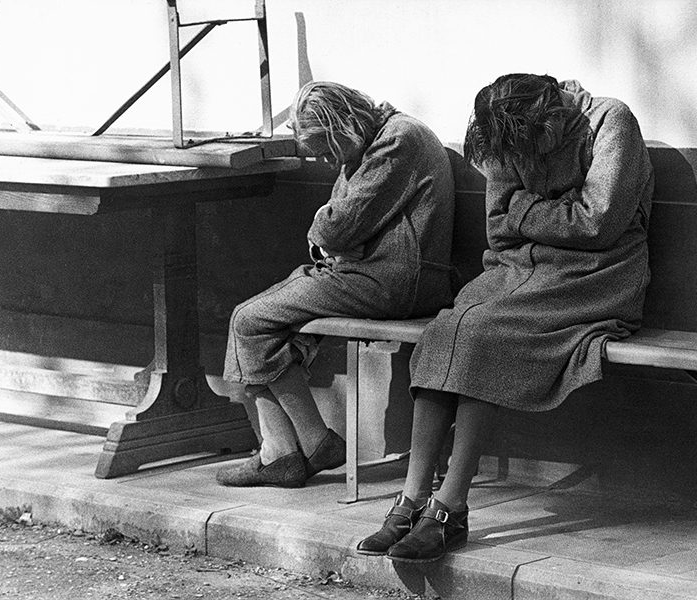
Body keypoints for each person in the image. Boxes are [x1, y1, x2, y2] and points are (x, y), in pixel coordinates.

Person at [356, 74, 654, 562]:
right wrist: (551, 214)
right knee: (446, 330)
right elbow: (499, 227)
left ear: (553, 116)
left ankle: (451, 506)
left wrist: (524, 212)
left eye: (532, 146)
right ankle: (411, 501)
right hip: (517, 269)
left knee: (482, 333)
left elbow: (599, 225)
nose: (524, 160)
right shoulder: (502, 131)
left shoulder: (610, 122)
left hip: (597, 276)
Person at [216, 81, 456, 488]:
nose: (327, 161)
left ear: (343, 122)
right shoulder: (369, 140)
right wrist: (332, 237)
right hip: (380, 276)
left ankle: (308, 444)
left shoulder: (396, 141)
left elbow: (335, 226)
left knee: (248, 320)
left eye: (327, 148)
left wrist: (328, 234)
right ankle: (284, 454)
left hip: (392, 282)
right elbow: (338, 229)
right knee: (270, 328)